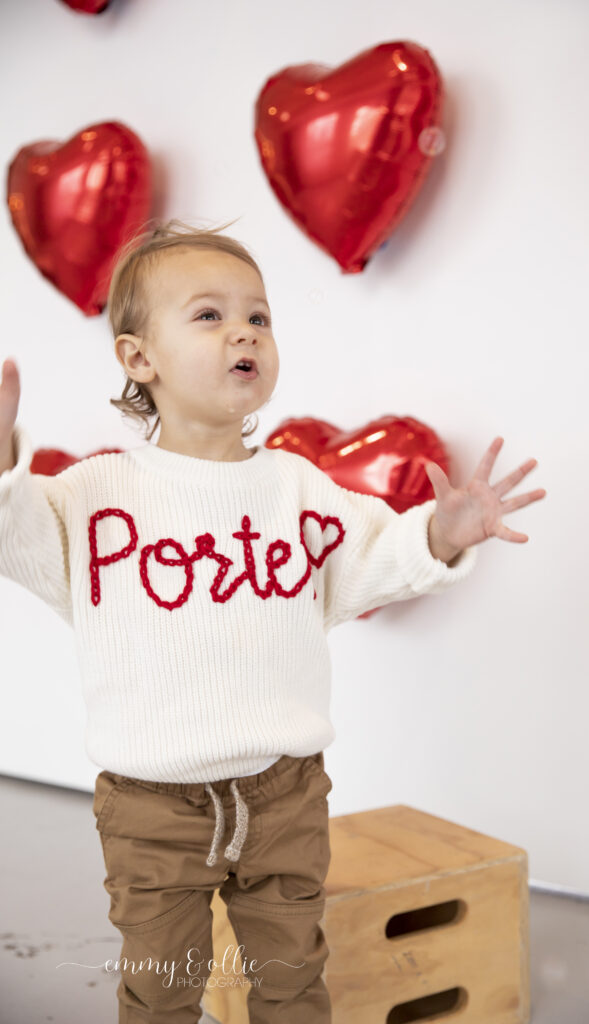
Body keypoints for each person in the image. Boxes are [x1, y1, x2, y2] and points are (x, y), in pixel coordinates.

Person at [0, 218, 546, 1024]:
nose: (244, 332)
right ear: (138, 359)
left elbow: (372, 552)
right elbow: (13, 525)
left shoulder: (296, 487)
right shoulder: (92, 497)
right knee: (162, 989)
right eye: (209, 315)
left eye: (258, 316)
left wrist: (439, 532)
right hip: (154, 809)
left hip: (284, 796)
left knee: (292, 979)